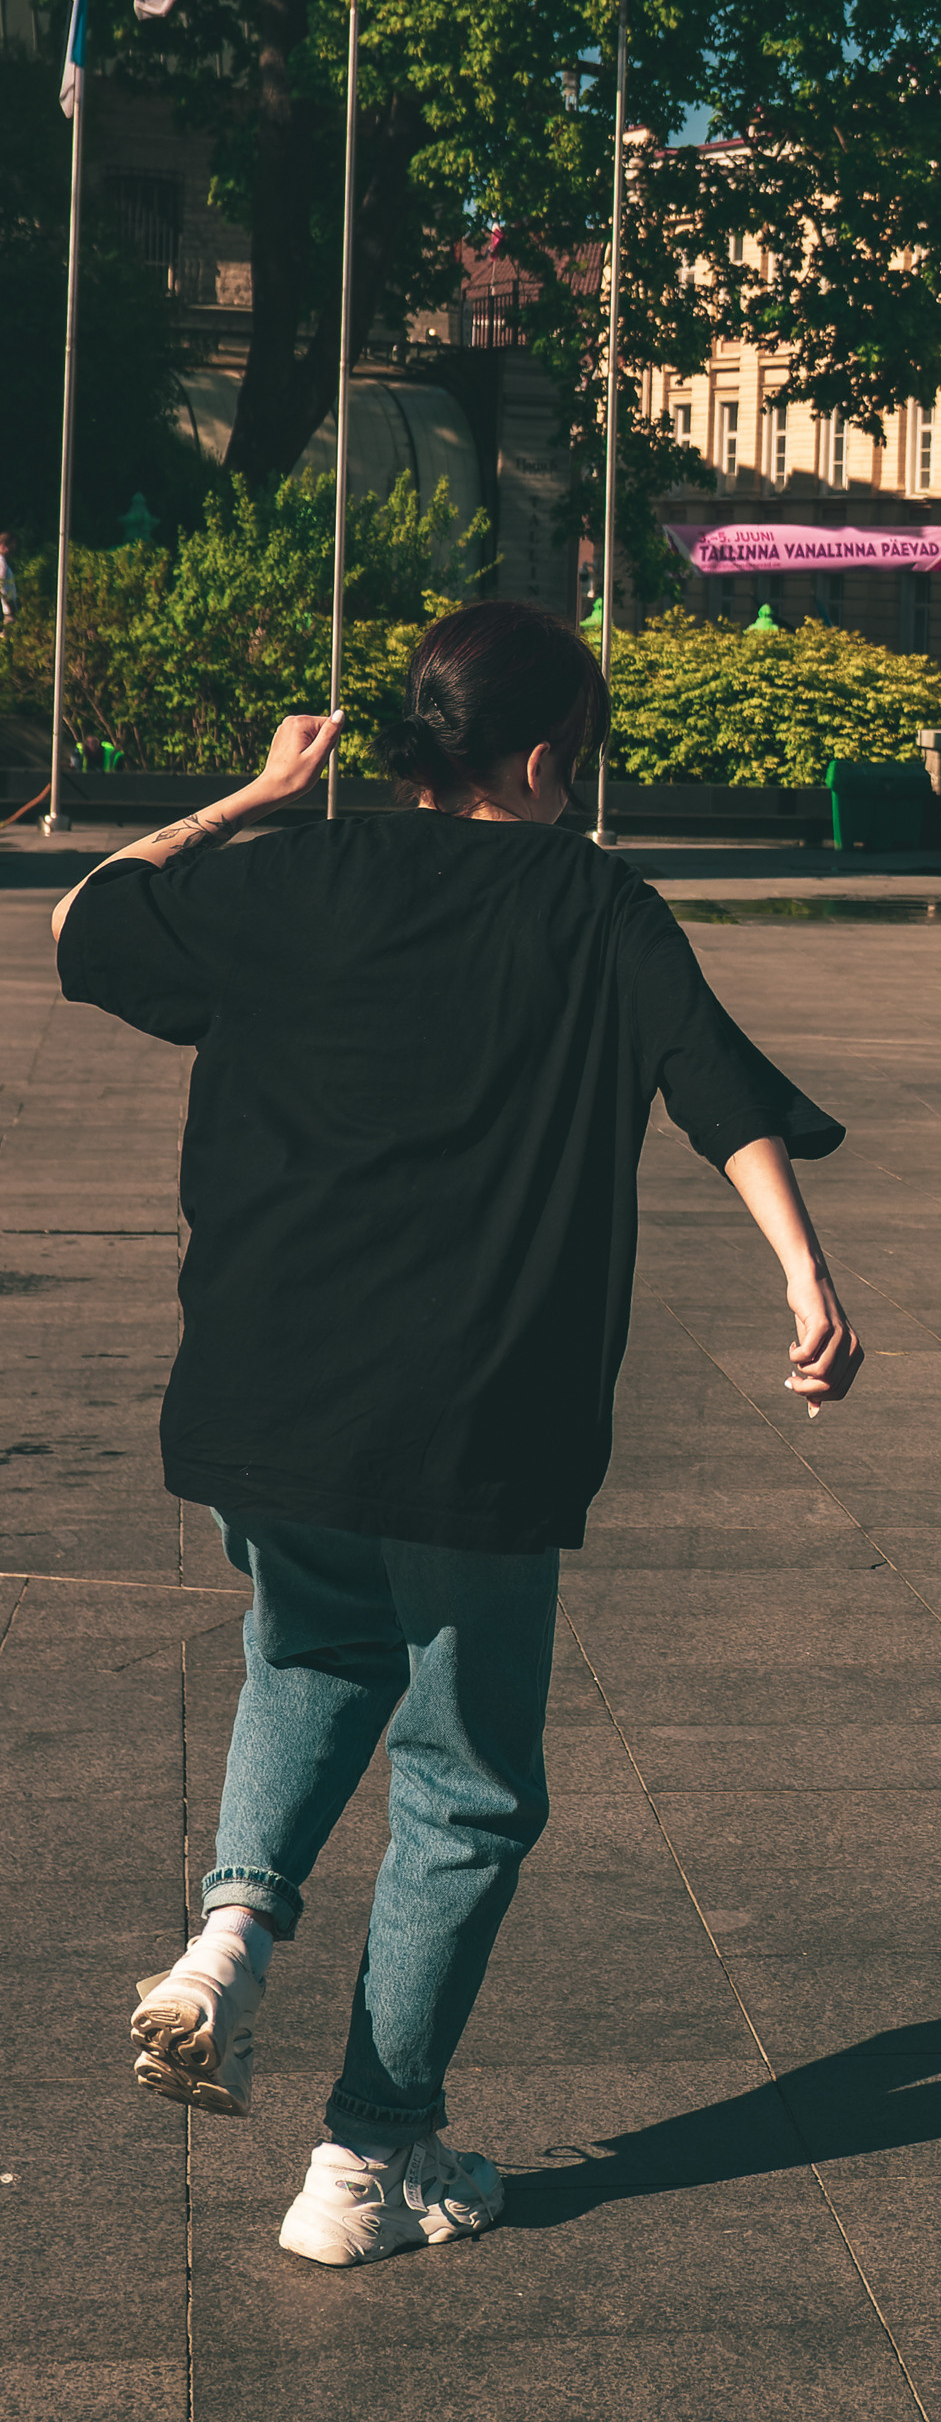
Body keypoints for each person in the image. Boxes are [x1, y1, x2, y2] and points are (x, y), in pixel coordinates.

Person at [54, 599, 861, 2267]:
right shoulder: (595, 902)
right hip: (478, 1417)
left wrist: (250, 802)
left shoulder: (288, 879)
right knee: (469, 1787)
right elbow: (710, 1081)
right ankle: (373, 2151)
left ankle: (230, 1932)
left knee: (311, 1645)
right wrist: (805, 1274)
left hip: (266, 1400)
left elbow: (88, 918)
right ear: (554, 758)